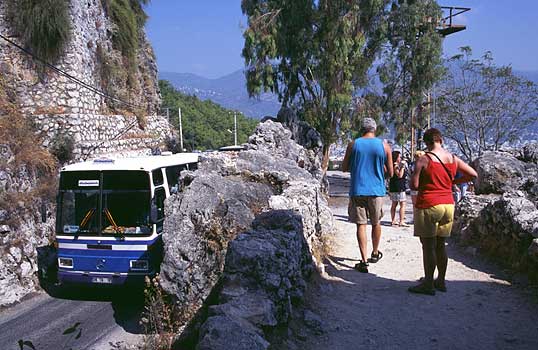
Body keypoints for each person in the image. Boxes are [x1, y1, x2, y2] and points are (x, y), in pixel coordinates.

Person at [408, 128, 477, 295]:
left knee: (428, 246)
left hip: (429, 204)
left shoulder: (424, 160)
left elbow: (414, 185)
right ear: (441, 140)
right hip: (448, 204)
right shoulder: (453, 158)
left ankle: (428, 284)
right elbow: (473, 174)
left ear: (426, 143)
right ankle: (441, 281)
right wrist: (454, 180)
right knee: (441, 245)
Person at [342, 118, 393, 273]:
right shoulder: (384, 146)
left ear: (361, 129)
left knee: (361, 225)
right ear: (374, 129)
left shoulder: (353, 144)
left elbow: (344, 167)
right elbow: (390, 172)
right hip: (377, 190)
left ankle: (363, 261)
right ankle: (375, 252)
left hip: (358, 189)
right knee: (376, 222)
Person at [388, 150, 409, 227]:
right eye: (399, 157)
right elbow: (399, 175)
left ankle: (394, 220)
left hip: (395, 187)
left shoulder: (395, 165)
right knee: (402, 204)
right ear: (396, 157)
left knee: (395, 204)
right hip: (398, 187)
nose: (400, 158)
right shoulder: (395, 165)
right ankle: (401, 221)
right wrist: (402, 167)